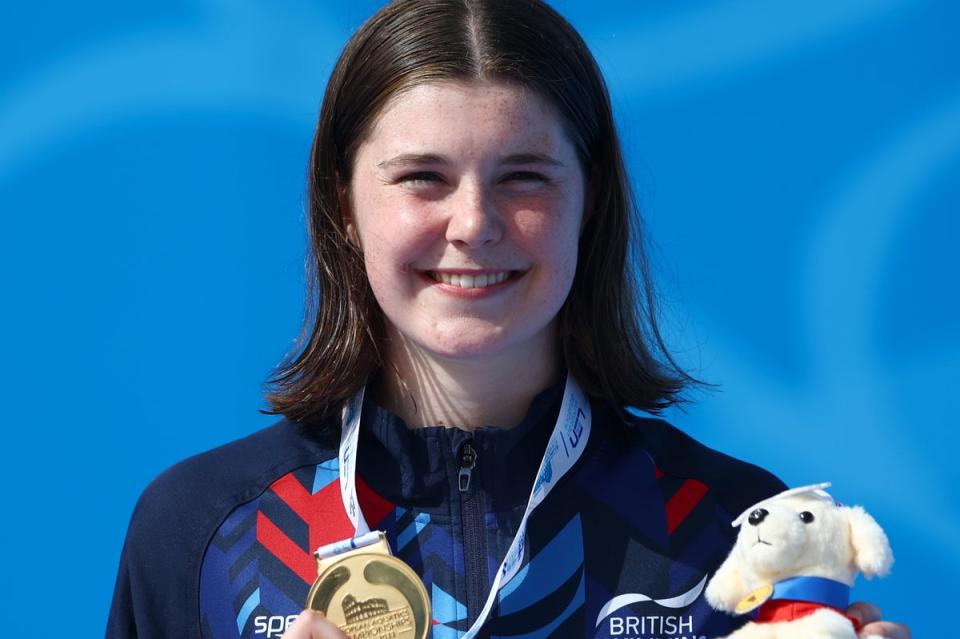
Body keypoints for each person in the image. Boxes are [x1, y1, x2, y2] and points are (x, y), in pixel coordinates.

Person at [107, 1, 911, 638]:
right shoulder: (207, 529)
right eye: (423, 178)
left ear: (589, 203)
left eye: (523, 177)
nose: (473, 223)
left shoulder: (731, 529)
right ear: (342, 206)